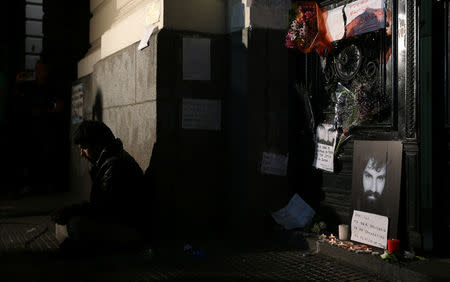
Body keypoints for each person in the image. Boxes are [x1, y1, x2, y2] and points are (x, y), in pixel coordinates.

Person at [52, 120, 149, 254]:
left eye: (83, 148)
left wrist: (72, 211)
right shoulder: (109, 161)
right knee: (69, 224)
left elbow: (104, 210)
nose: (81, 154)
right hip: (124, 225)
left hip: (130, 230)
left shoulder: (114, 165)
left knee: (75, 225)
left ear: (97, 144)